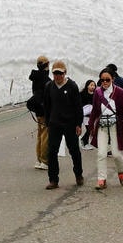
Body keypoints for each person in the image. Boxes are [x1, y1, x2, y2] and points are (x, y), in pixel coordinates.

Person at [42, 60, 84, 189]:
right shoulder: (49, 86)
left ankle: (78, 175)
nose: (58, 76)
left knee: (74, 151)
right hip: (55, 124)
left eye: (60, 73)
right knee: (52, 152)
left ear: (65, 73)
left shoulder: (72, 86)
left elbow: (78, 106)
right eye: (55, 73)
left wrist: (78, 124)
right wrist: (47, 122)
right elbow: (47, 106)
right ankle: (53, 180)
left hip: (70, 123)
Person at [86, 69, 123, 189]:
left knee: (116, 154)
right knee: (101, 153)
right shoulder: (97, 92)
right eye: (102, 80)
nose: (104, 82)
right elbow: (95, 110)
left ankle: (121, 172)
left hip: (116, 125)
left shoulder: (119, 92)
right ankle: (102, 179)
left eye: (107, 80)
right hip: (102, 125)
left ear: (112, 80)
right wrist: (91, 125)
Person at [28, 56, 51, 170]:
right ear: (47, 65)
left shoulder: (35, 78)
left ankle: (38, 160)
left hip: (38, 111)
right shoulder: (45, 79)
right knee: (45, 136)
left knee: (40, 136)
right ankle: (45, 161)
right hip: (45, 111)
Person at [80, 79, 97, 149]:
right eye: (91, 85)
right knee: (89, 129)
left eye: (94, 85)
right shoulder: (82, 94)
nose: (93, 87)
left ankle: (85, 142)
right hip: (85, 115)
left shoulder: (96, 94)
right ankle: (84, 142)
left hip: (92, 115)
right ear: (87, 86)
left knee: (91, 129)